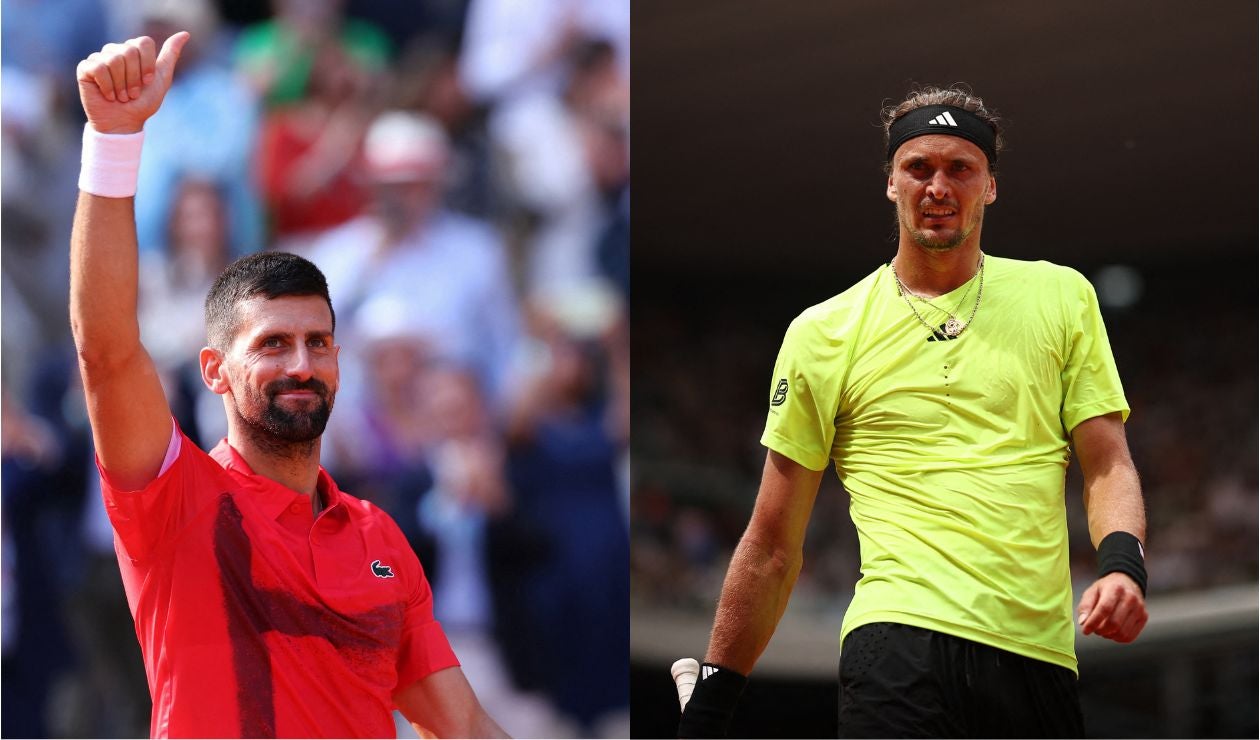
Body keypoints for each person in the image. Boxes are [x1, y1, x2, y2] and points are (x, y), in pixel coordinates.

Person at [676, 85, 1149, 738]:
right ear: (891, 183)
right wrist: (714, 699)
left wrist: (1123, 564)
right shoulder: (823, 333)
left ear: (989, 187)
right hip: (896, 642)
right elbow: (772, 544)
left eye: (960, 168)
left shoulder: (1061, 296)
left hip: (1036, 655)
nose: (938, 185)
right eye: (918, 167)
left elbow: (1107, 463)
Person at [70, 32, 507, 738]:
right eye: (272, 344)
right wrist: (113, 142)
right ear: (213, 370)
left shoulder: (379, 539)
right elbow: (107, 350)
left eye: (318, 343)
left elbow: (461, 724)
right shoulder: (175, 499)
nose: (301, 364)